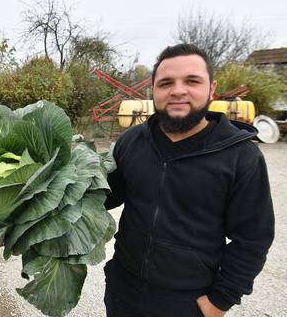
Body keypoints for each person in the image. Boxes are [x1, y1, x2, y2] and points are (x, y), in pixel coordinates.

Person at [104, 44, 274, 317]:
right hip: (123, 290)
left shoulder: (241, 157)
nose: (178, 90)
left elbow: (253, 238)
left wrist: (219, 301)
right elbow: (104, 196)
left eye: (192, 81)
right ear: (154, 90)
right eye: (166, 83)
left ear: (211, 89)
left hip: (188, 303)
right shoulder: (132, 141)